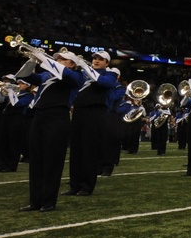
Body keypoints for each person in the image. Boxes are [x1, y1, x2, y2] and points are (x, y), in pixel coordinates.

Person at [17, 49, 87, 212]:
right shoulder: (46, 76)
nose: (59, 60)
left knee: (52, 160)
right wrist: (33, 60)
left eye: (63, 59)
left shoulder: (76, 76)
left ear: (72, 64)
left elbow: (65, 74)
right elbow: (23, 76)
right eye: (58, 59)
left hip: (58, 117)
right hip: (39, 115)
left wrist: (44, 58)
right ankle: (35, 201)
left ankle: (48, 202)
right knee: (36, 159)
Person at [65, 50, 117, 196]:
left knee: (89, 150)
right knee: (76, 150)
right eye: (94, 58)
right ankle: (74, 185)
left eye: (101, 59)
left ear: (107, 63)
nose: (96, 61)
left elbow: (103, 83)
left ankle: (87, 186)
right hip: (79, 112)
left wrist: (86, 68)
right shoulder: (83, 74)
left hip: (95, 113)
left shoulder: (110, 74)